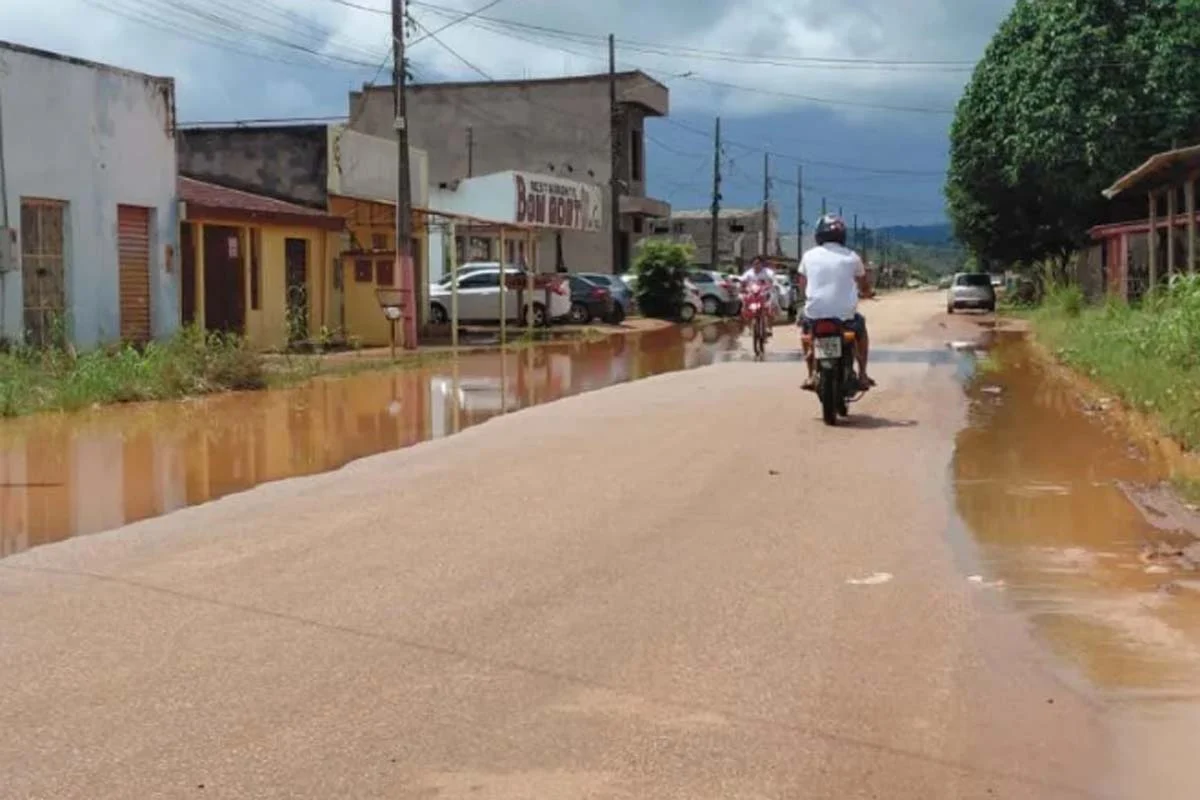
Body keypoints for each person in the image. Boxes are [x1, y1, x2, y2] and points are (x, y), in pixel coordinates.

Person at [796, 214, 874, 390]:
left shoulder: (808, 256)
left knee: (806, 331)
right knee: (861, 328)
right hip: (845, 316)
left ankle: (810, 374)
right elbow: (864, 284)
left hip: (815, 314)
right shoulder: (852, 257)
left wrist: (807, 297)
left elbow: (802, 284)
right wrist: (867, 293)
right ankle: (862, 374)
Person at [739, 255, 779, 338]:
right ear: (752, 265)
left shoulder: (768, 272)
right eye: (754, 264)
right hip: (752, 294)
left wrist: (774, 284)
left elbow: (774, 280)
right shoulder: (748, 273)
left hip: (765, 293)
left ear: (762, 264)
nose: (756, 265)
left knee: (770, 307)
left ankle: (769, 328)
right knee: (745, 307)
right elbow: (742, 281)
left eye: (758, 263)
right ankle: (749, 327)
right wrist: (742, 286)